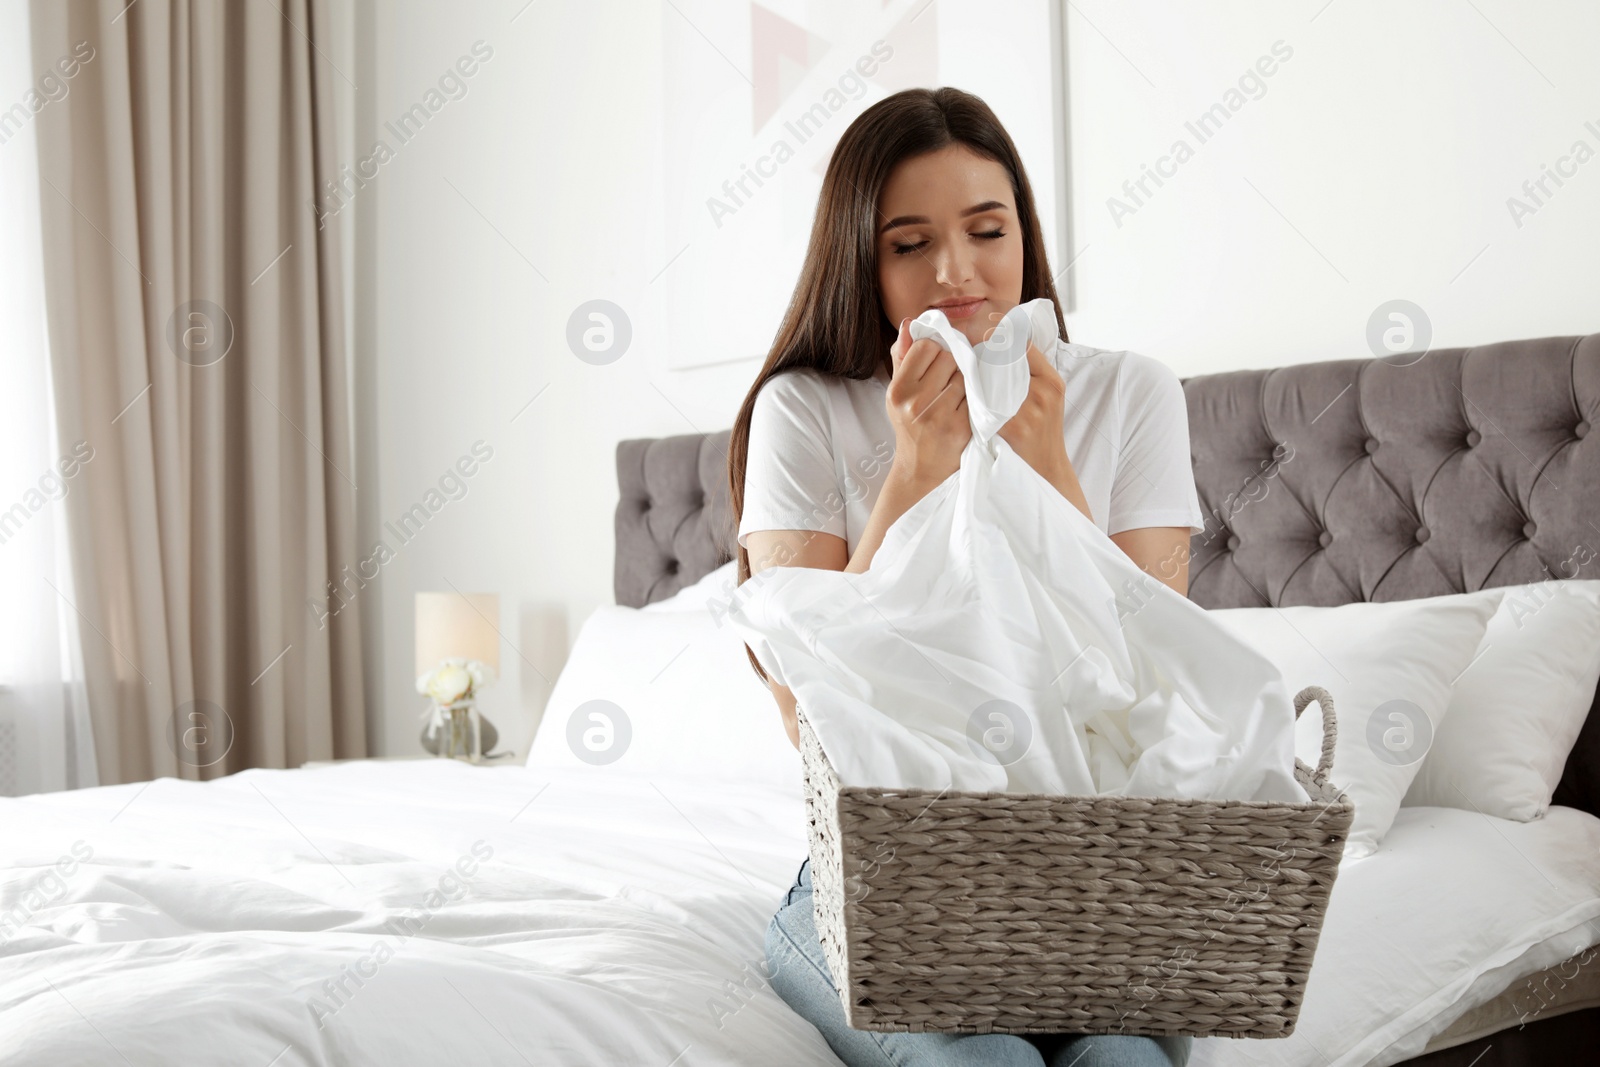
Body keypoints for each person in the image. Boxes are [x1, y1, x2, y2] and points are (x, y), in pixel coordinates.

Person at [727, 86, 1202, 1067]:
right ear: (863, 255)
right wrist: (912, 473)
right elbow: (802, 705)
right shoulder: (806, 409)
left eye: (986, 230)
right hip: (878, 882)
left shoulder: (1128, 391)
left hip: (1097, 882)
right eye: (908, 243)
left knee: (1122, 1060)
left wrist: (1051, 478)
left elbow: (1159, 685)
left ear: (1023, 232)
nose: (954, 271)